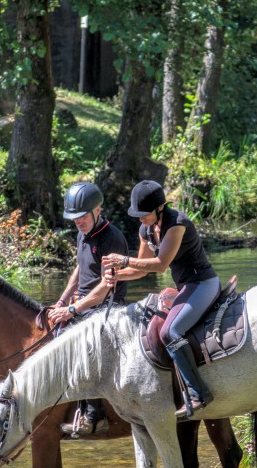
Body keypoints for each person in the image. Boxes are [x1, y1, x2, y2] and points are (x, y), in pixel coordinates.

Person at [102, 180, 220, 418]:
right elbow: (142, 270)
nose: (140, 219)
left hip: (203, 283)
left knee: (171, 332)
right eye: (138, 214)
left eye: (143, 214)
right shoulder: (145, 230)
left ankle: (199, 393)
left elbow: (160, 264)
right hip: (185, 287)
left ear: (159, 208)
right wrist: (117, 275)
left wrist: (124, 260)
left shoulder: (177, 224)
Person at [49, 182, 129, 435]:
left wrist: (72, 310)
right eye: (74, 219)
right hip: (83, 304)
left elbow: (106, 287)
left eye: (83, 217)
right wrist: (62, 301)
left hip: (108, 306)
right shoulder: (82, 233)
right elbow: (79, 270)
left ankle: (94, 415)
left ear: (97, 210)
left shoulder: (111, 238)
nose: (78, 222)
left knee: (81, 344)